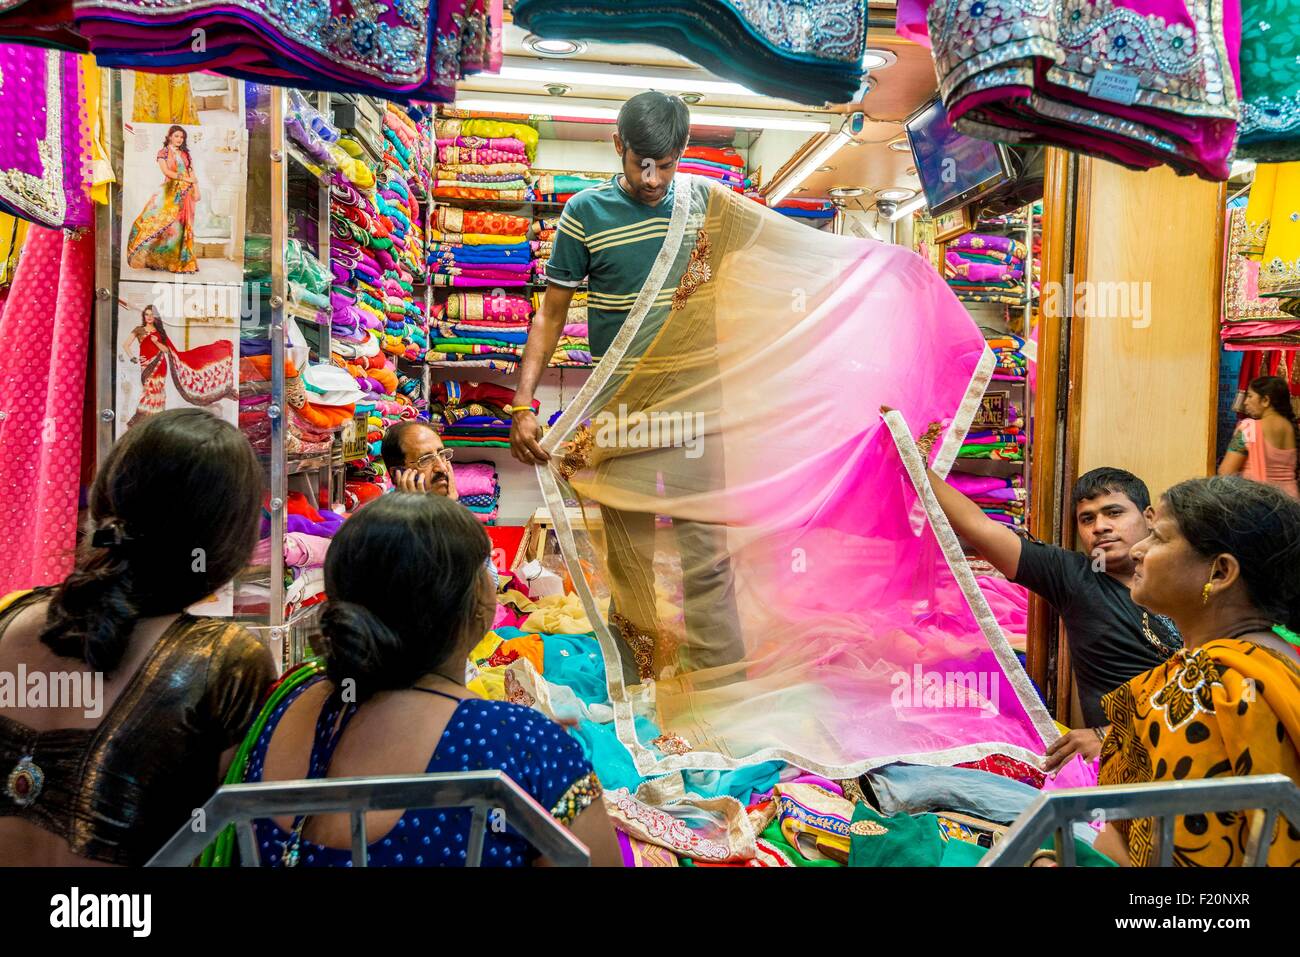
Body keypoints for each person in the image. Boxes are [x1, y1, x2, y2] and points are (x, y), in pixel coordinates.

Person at [243, 493, 621, 867]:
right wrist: (530, 743)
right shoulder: (527, 747)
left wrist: (517, 737)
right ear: (478, 599)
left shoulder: (284, 698)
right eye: (486, 570)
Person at [508, 90, 744, 684]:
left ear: (683, 153)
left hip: (698, 409)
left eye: (667, 164)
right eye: (642, 161)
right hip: (623, 412)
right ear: (618, 146)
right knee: (631, 560)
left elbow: (754, 286)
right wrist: (521, 402)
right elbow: (551, 315)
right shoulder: (585, 213)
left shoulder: (706, 207)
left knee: (708, 559)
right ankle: (638, 693)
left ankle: (722, 693)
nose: (652, 178)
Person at [0, 408, 275, 866]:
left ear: (108, 500)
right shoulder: (226, 658)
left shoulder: (12, 613)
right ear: (228, 538)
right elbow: (243, 842)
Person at [1091, 475, 1300, 867]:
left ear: (1220, 573)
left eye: (1158, 537)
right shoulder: (1279, 659)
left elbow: (1186, 859)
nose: (1138, 549)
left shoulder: (1206, 687)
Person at [921, 459, 1182, 765]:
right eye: (1087, 519)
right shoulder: (1073, 575)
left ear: (1149, 517)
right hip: (1128, 759)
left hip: (1193, 744)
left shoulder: (1186, 576)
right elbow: (979, 526)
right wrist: (917, 463)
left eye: (1114, 512)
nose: (1100, 527)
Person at [124, 303, 238, 427]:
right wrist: (133, 358)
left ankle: (155, 419)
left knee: (158, 390)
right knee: (148, 390)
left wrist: (156, 343)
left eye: (152, 315)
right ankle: (143, 418)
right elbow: (126, 345)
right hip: (146, 364)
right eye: (147, 314)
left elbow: (166, 350)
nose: (149, 317)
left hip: (160, 363)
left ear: (155, 317)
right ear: (143, 316)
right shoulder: (138, 330)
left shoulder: (159, 332)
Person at [126, 124, 200, 274]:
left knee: (183, 225)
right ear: (170, 137)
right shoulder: (163, 152)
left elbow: (192, 172)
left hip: (186, 192)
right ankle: (158, 259)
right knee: (158, 220)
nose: (179, 139)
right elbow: (166, 171)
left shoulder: (186, 154)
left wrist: (196, 190)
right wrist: (184, 178)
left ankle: (181, 261)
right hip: (170, 191)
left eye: (182, 137)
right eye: (176, 136)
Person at [1218, 375, 1299, 499]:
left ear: (1265, 400)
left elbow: (1226, 471)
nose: (1245, 402)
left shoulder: (1249, 429)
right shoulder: (1291, 428)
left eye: (1250, 396)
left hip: (1260, 504)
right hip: (1291, 503)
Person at [381, 420, 458, 498]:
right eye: (425, 459)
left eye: (442, 454)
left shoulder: (452, 505)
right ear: (397, 473)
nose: (442, 468)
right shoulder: (380, 510)